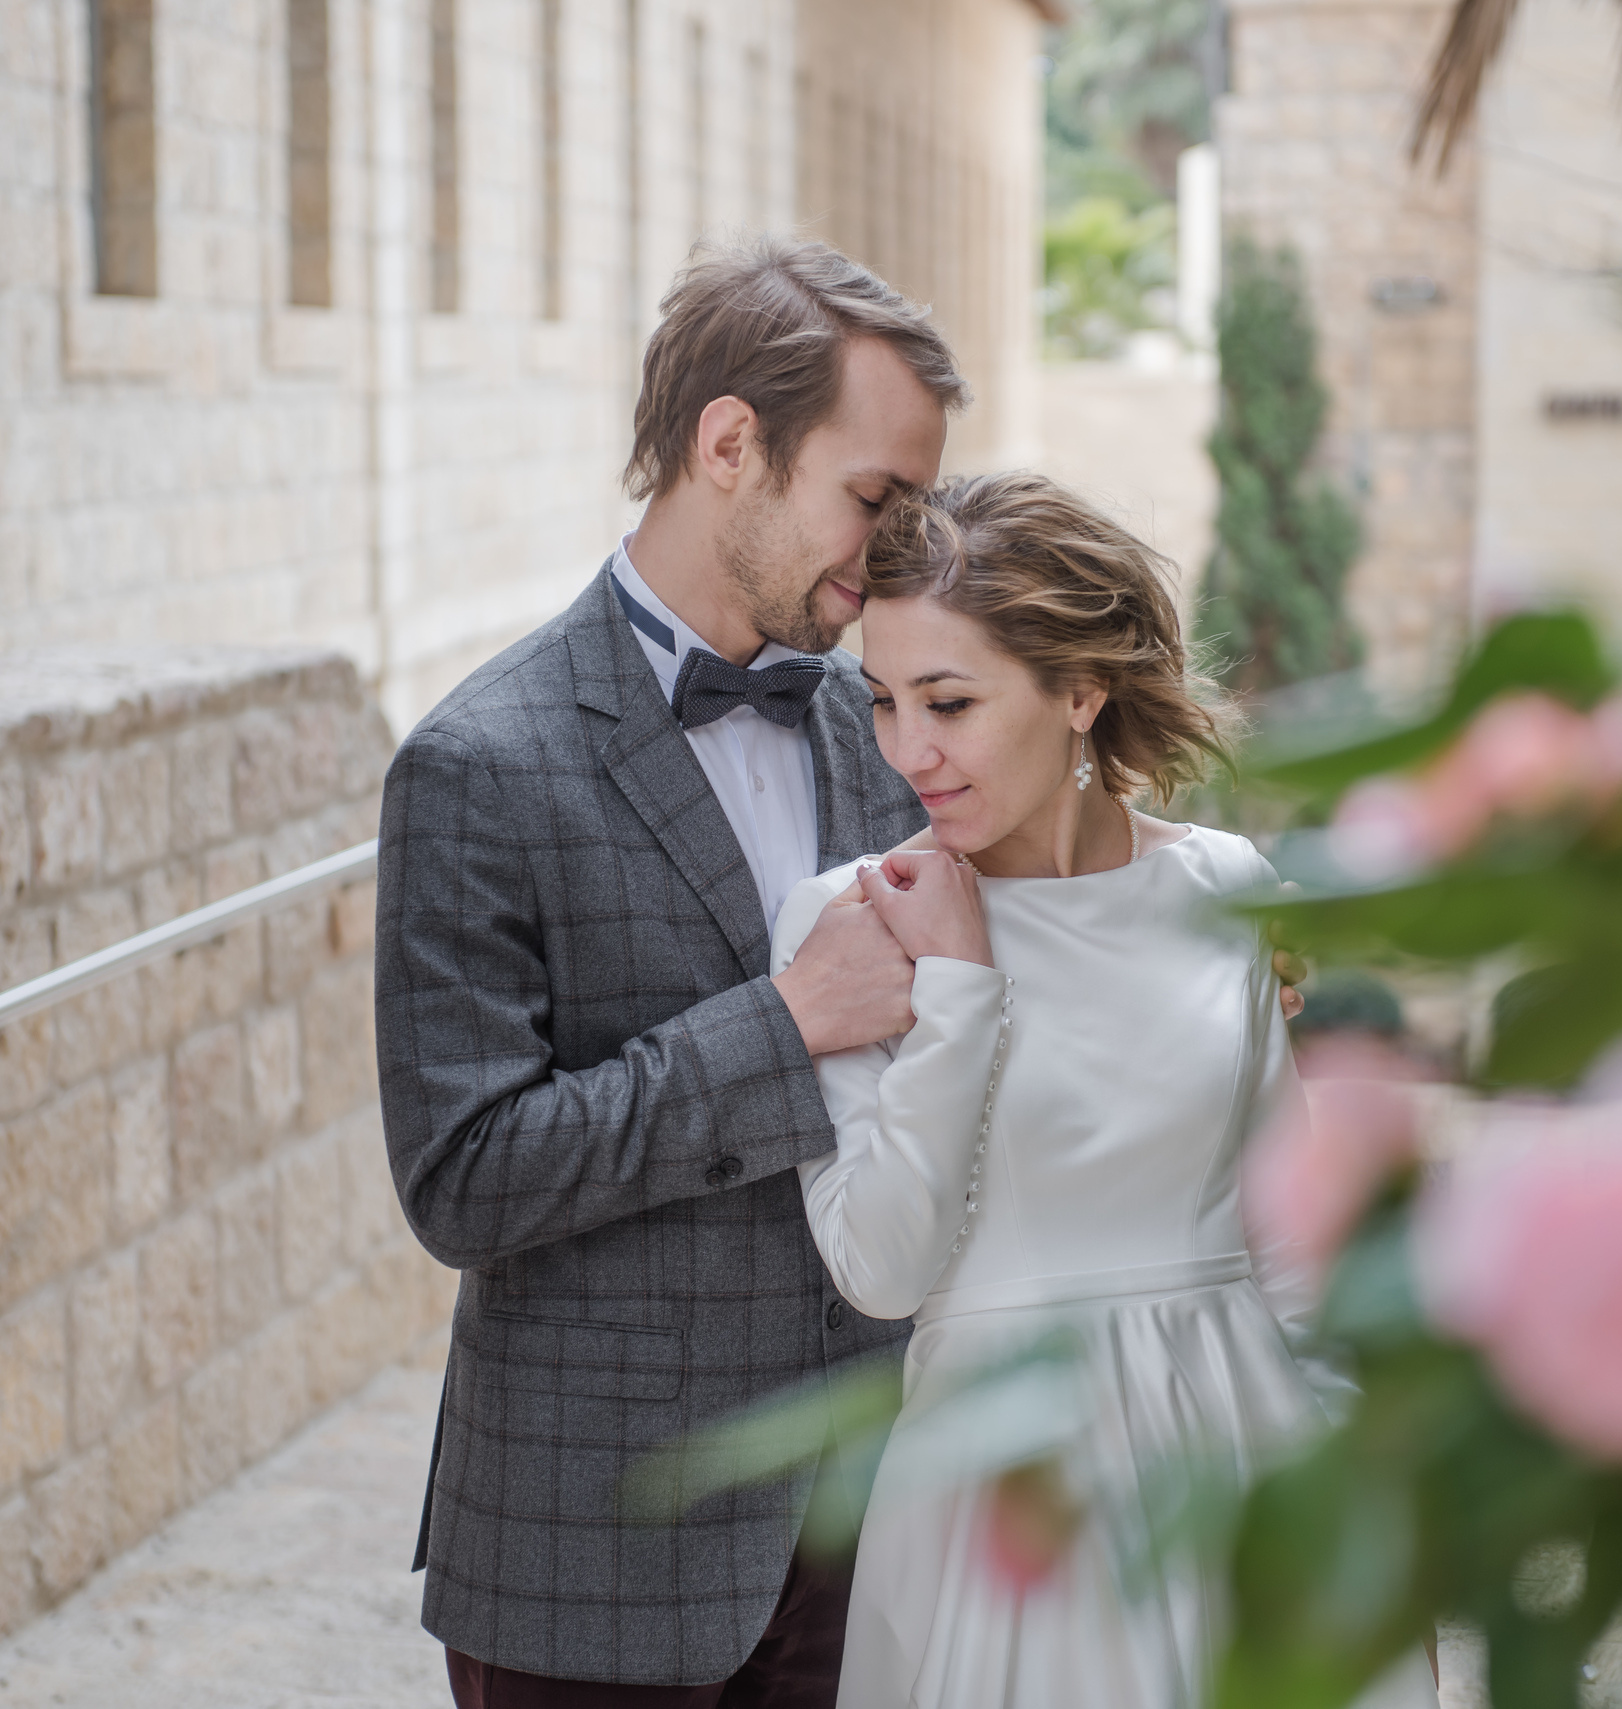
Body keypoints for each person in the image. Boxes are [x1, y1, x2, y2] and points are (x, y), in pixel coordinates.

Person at [373, 237, 960, 1706]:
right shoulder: (477, 764)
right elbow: (464, 1175)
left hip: (861, 1535)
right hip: (593, 1560)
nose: (889, 557)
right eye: (872, 502)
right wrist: (782, 1028)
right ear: (729, 445)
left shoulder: (876, 723)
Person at [767, 472, 1437, 1709]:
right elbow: (882, 1268)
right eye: (883, 702)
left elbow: (1292, 1242)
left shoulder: (1228, 885)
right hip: (1006, 1498)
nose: (908, 749)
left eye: (950, 702)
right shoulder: (853, 920)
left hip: (1245, 1454)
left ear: (1080, 691)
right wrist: (958, 987)